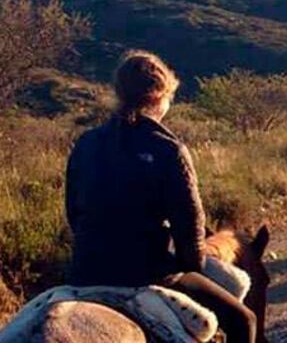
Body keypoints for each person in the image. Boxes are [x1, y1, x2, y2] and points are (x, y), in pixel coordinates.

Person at [66, 51, 256, 343]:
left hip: (84, 271)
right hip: (145, 272)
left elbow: (73, 213)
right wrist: (190, 271)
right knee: (244, 320)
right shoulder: (169, 149)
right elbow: (189, 229)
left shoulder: (86, 143)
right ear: (160, 97)